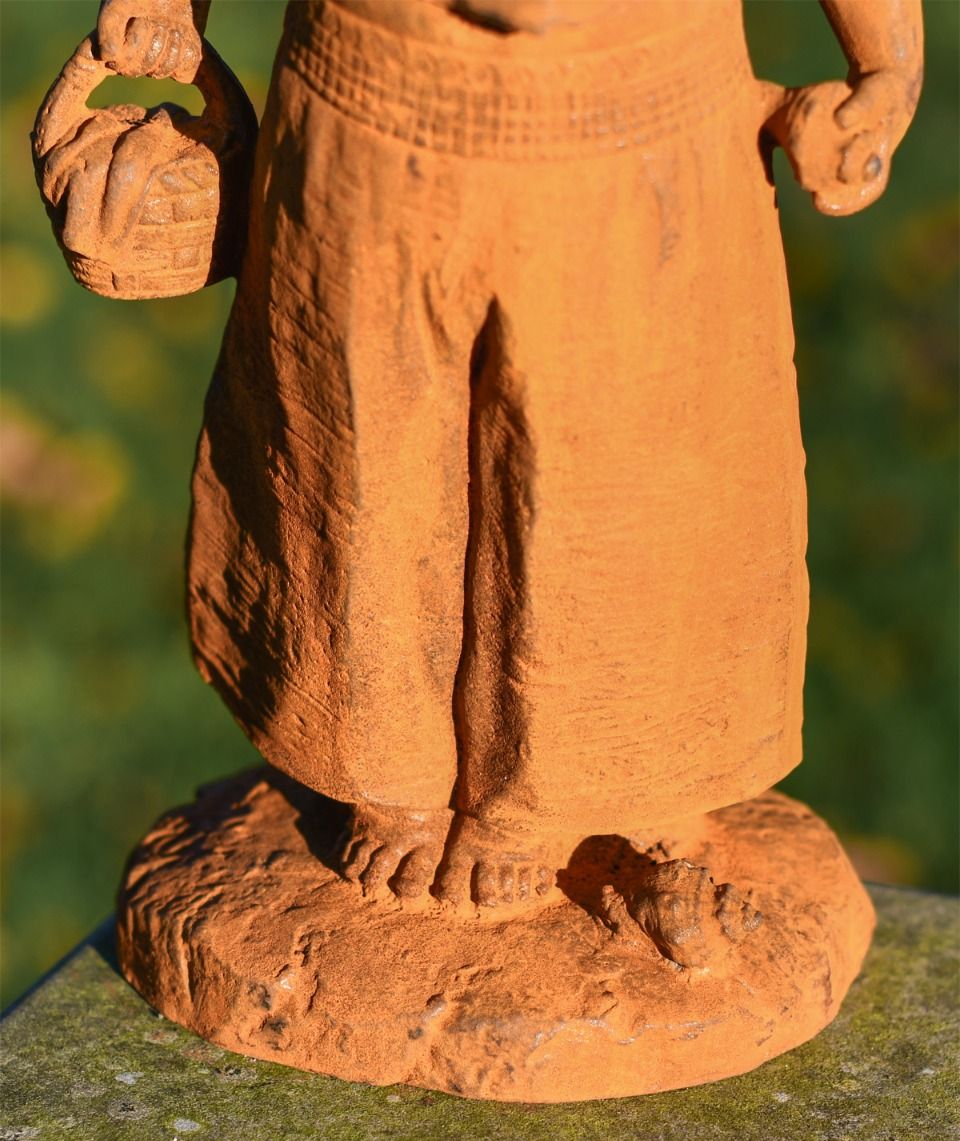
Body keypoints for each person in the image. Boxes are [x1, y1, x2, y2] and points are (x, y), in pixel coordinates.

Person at [95, 0, 922, 908]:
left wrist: (885, 68)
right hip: (373, 89)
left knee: (619, 463)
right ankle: (385, 770)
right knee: (359, 450)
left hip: (634, 105)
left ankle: (590, 786)